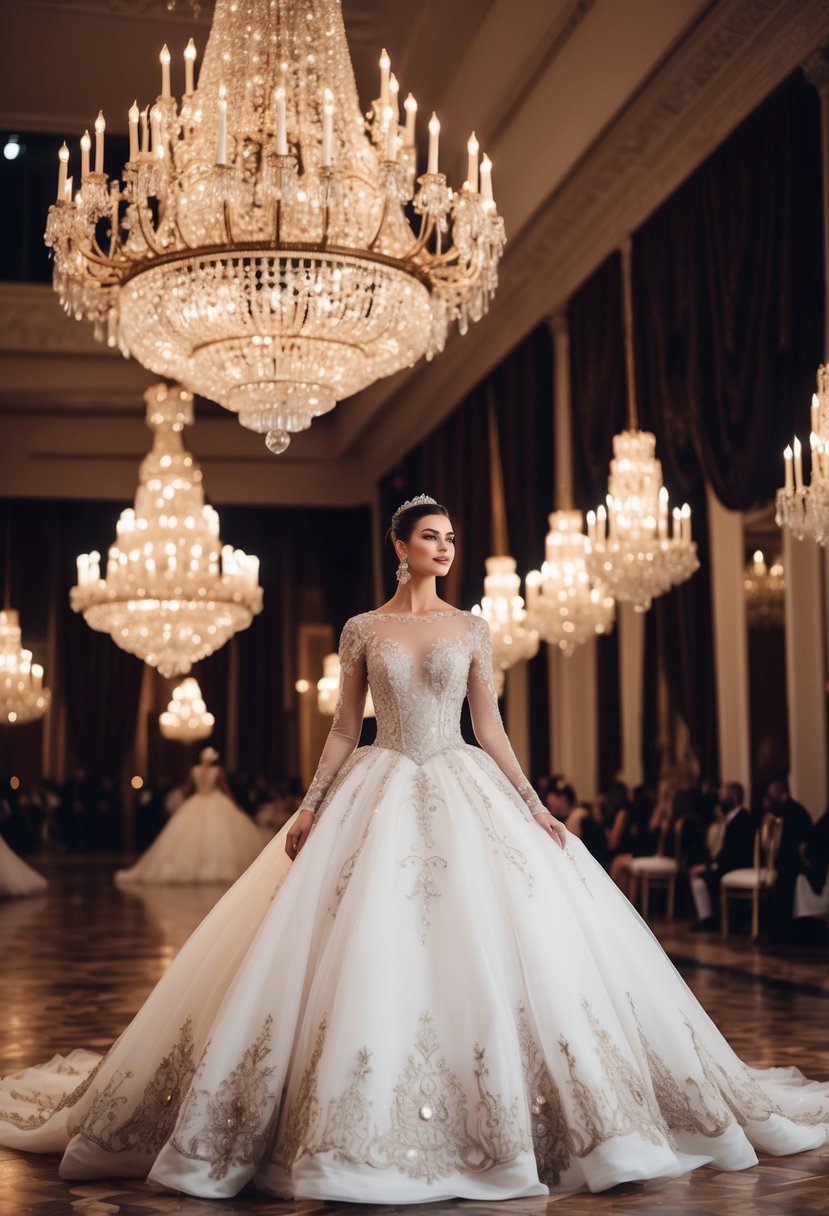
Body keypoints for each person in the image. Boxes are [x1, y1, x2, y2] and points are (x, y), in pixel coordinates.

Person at [0, 495, 827, 1204]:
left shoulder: (471, 627)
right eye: (430, 535)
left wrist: (535, 807)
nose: (443, 547)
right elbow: (339, 729)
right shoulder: (362, 629)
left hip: (464, 785)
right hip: (377, 780)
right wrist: (312, 805)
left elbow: (491, 727)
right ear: (399, 547)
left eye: (450, 537)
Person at [114, 747, 266, 885]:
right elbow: (226, 790)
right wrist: (235, 805)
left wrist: (183, 800)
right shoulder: (218, 771)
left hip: (198, 800)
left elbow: (187, 790)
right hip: (215, 801)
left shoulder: (195, 770)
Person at [688, 782, 755, 931]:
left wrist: (710, 867)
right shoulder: (729, 820)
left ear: (735, 797)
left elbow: (735, 853)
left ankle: (714, 920)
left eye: (723, 796)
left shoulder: (744, 820)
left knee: (705, 876)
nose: (720, 799)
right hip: (728, 863)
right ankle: (708, 918)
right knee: (697, 874)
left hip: (738, 865)